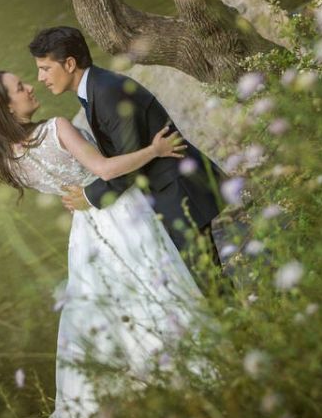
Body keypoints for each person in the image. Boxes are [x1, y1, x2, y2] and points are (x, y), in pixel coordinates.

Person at [0, 70, 210, 418]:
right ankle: (189, 367)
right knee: (157, 284)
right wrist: (154, 150)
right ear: (6, 108)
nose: (30, 86)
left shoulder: (9, 162)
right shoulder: (56, 128)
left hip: (86, 230)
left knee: (124, 301)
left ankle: (151, 378)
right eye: (20, 88)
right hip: (121, 212)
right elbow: (104, 168)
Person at [28, 26, 227, 288]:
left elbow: (128, 160)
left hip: (178, 193)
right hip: (167, 192)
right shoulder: (97, 88)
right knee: (203, 282)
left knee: (209, 283)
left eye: (44, 68)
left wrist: (90, 195)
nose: (40, 77)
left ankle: (243, 328)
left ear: (69, 64)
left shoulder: (108, 92)